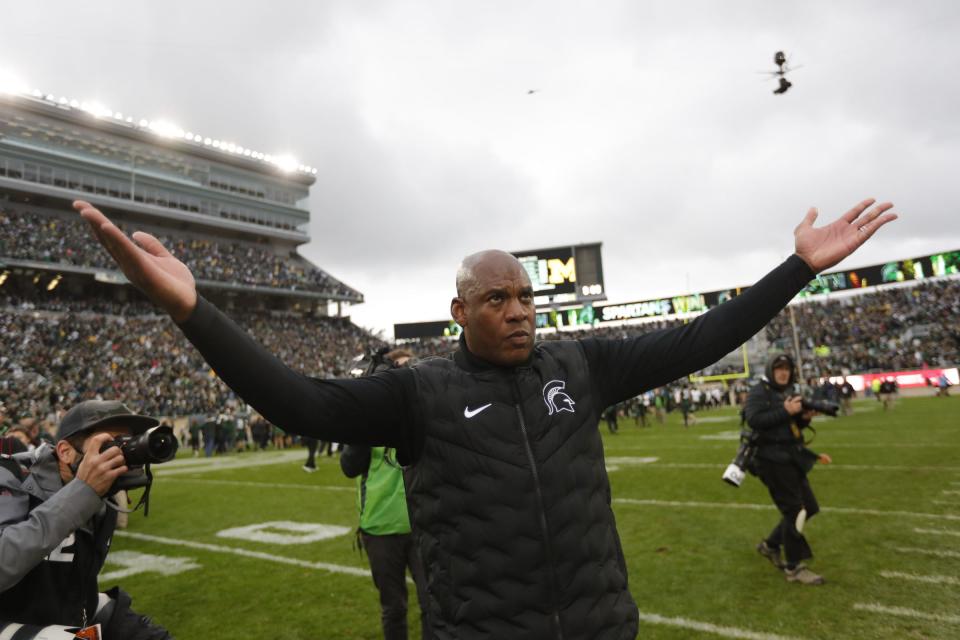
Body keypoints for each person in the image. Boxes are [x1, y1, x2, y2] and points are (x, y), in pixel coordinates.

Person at [74, 197, 895, 638]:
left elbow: (698, 337)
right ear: (459, 310)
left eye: (526, 296)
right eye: (496, 298)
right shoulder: (417, 393)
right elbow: (300, 401)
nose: (518, 311)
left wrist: (796, 268)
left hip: (604, 626)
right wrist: (194, 310)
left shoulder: (582, 364)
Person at [0, 399, 172, 638]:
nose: (119, 455)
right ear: (65, 452)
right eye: (108, 445)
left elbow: (77, 585)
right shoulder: (10, 474)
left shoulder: (103, 498)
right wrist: (83, 491)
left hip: (61, 611)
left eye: (125, 443)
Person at [340, 348, 430, 640]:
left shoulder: (424, 410)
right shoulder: (370, 417)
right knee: (394, 607)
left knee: (434, 602)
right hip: (381, 527)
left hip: (422, 523)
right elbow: (350, 466)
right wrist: (366, 416)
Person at [745, 354, 832, 585]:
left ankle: (771, 545)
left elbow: (787, 425)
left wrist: (803, 418)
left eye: (787, 368)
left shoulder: (786, 391)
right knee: (795, 511)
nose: (783, 372)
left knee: (810, 507)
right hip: (771, 461)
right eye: (779, 368)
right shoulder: (759, 391)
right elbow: (753, 419)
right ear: (770, 370)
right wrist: (785, 411)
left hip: (790, 457)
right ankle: (794, 567)